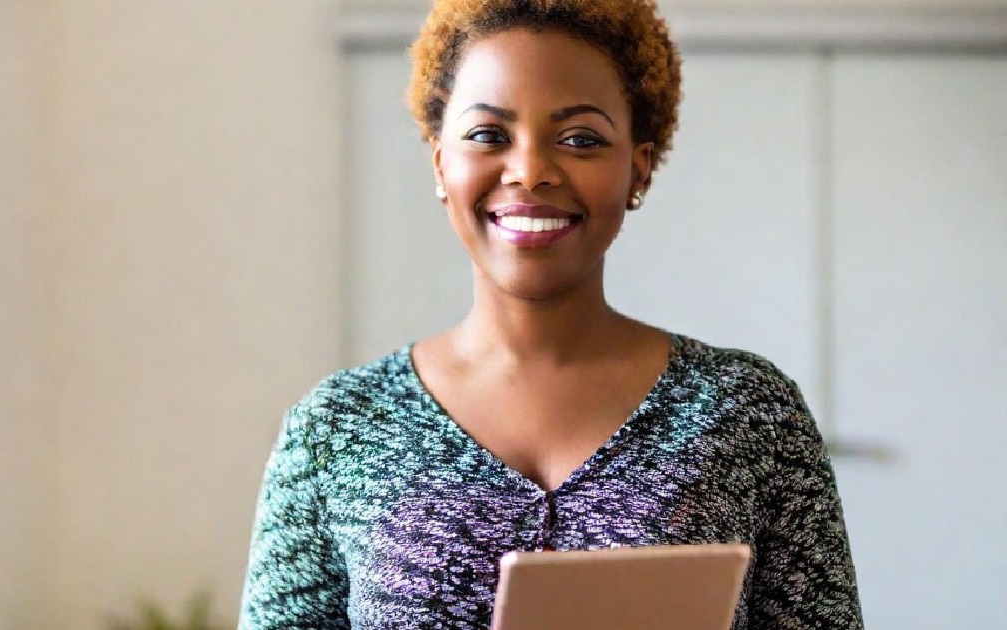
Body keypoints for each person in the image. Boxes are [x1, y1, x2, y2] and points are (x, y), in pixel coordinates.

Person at [240, 0, 863, 628]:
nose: (531, 171)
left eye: (580, 139)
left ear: (637, 170)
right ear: (440, 162)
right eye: (488, 135)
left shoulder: (749, 413)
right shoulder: (334, 429)